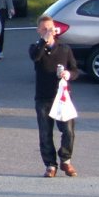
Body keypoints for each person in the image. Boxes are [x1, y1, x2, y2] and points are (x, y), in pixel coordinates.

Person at [30, 15, 79, 177]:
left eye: (50, 29)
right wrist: (43, 42)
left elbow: (75, 70)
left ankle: (66, 159)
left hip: (62, 97)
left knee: (68, 131)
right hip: (43, 97)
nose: (48, 32)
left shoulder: (64, 49)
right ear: (39, 31)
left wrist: (68, 74)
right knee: (45, 132)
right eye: (44, 29)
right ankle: (50, 164)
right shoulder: (36, 48)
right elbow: (35, 57)